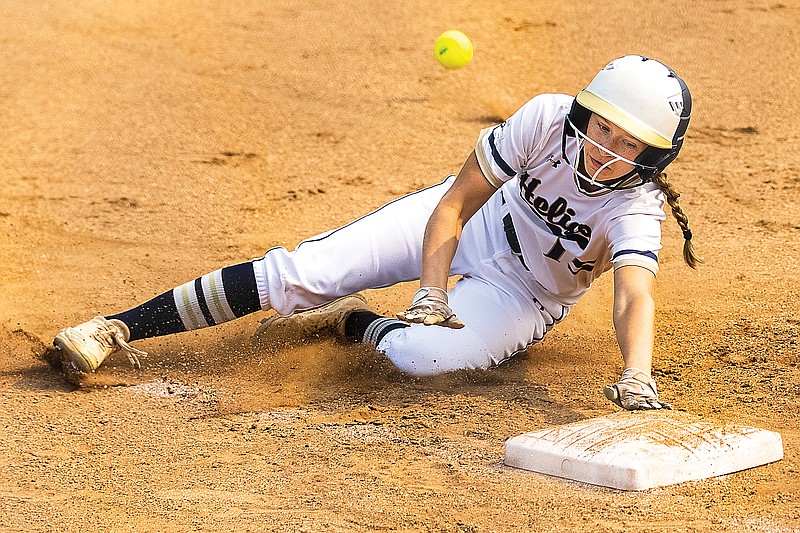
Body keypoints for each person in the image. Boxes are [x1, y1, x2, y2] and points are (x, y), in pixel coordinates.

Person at [50, 55, 698, 411]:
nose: (606, 149)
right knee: (300, 273)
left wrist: (637, 371)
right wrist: (433, 291)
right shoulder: (548, 120)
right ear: (587, 113)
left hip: (528, 292)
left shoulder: (635, 210)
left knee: (423, 359)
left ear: (651, 157)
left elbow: (634, 295)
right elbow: (454, 204)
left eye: (628, 143)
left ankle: (349, 321)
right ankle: (112, 327)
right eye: (604, 127)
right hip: (469, 225)